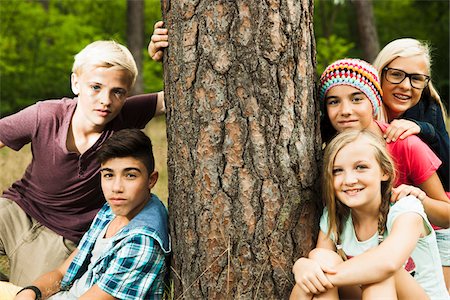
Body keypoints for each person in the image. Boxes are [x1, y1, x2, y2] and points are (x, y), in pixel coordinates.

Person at [0, 40, 165, 285]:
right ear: (75, 83)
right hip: (17, 210)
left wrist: (165, 58)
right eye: (95, 87)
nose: (106, 100)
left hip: (64, 236)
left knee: (33, 292)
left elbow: (181, 93)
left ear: (127, 93)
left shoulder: (126, 116)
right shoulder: (45, 115)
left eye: (117, 91)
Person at [318, 58, 450, 291]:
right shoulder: (330, 151)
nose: (345, 110)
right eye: (334, 102)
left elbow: (446, 215)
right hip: (363, 240)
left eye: (357, 99)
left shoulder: (404, 144)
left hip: (423, 235)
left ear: (374, 102)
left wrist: (419, 198)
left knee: (380, 274)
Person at [0, 128, 170, 299]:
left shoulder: (141, 243)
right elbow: (62, 273)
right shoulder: (111, 210)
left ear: (151, 180)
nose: (117, 188)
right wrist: (31, 292)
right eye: (109, 175)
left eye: (130, 175)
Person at [290, 129, 448, 299]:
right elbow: (318, 267)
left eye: (361, 167)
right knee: (320, 258)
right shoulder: (335, 216)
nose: (349, 180)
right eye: (337, 171)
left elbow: (388, 262)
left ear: (384, 172)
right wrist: (303, 267)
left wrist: (319, 276)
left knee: (380, 276)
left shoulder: (406, 208)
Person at [373, 38, 449, 191]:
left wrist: (426, 130)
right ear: (380, 73)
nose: (406, 86)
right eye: (396, 75)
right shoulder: (360, 107)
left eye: (416, 78)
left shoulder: (429, 108)